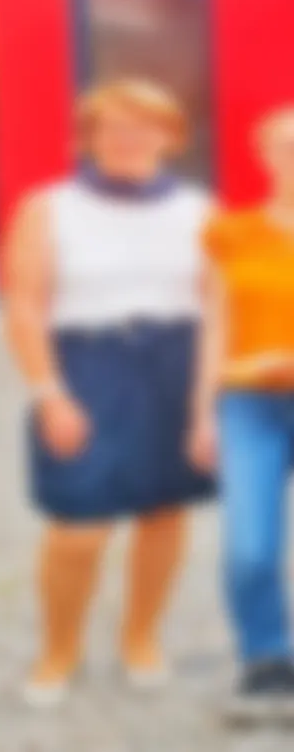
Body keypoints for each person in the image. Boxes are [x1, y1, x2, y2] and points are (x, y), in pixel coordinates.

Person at [2, 79, 214, 706]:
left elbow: (215, 309)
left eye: (144, 126)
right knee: (79, 528)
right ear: (89, 136)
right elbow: (24, 306)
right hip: (87, 365)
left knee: (164, 512)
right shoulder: (51, 208)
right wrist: (49, 392)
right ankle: (59, 649)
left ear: (169, 137)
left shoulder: (198, 213)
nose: (128, 139)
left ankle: (140, 637)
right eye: (113, 126)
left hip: (175, 362)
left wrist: (207, 406)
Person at [192, 105, 294, 717]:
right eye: (285, 144)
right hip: (249, 405)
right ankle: (266, 658)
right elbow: (212, 326)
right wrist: (200, 415)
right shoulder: (230, 234)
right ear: (265, 153)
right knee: (250, 546)